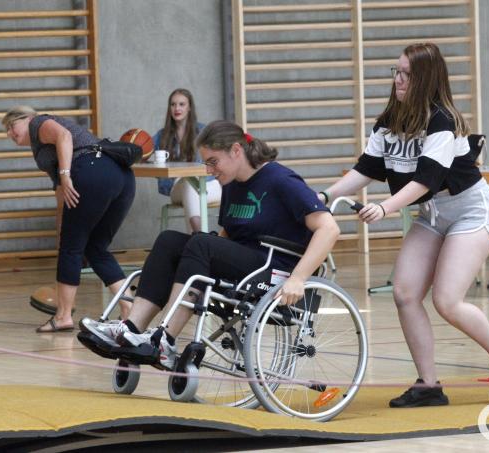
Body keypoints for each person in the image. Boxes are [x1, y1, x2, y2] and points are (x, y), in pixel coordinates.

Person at [318, 43, 489, 408]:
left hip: (469, 212)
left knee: (447, 300)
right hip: (432, 215)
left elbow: (426, 180)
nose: (397, 79)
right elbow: (366, 168)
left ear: (424, 78)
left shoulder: (441, 121)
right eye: (395, 72)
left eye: (406, 74)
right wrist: (324, 196)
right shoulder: (388, 122)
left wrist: (384, 209)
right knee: (405, 293)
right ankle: (428, 385)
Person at [79, 120, 340, 369]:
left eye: (214, 162)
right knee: (170, 240)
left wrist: (298, 278)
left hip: (275, 269)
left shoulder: (281, 180)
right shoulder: (232, 185)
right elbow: (228, 234)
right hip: (247, 263)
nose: (209, 170)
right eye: (207, 163)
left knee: (202, 243)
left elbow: (329, 229)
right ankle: (131, 330)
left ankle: (165, 341)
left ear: (236, 151)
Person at [2, 106, 136, 333]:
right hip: (121, 177)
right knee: (95, 248)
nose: (9, 133)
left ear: (28, 118)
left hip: (93, 170)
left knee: (72, 248)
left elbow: (64, 136)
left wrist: (66, 176)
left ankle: (63, 316)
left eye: (11, 124)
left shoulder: (39, 123)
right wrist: (61, 233)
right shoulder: (43, 150)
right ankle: (130, 311)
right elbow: (61, 196)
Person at [153, 89, 221, 232]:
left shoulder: (204, 131)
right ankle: (201, 236)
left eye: (182, 104)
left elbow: (217, 159)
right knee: (188, 184)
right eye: (173, 104)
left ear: (189, 107)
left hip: (209, 184)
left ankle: (198, 239)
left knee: (192, 187)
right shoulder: (162, 135)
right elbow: (144, 154)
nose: (177, 108)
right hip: (178, 187)